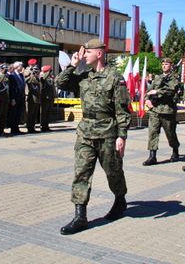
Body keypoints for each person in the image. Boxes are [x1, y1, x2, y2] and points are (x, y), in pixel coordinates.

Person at [55, 39, 131, 235]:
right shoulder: (83, 76)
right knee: (81, 173)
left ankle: (120, 199)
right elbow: (60, 82)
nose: (84, 55)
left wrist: (122, 136)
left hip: (107, 132)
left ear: (99, 53)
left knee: (113, 172)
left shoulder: (115, 78)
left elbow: (122, 110)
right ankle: (80, 216)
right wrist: (73, 64)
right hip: (85, 132)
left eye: (87, 52)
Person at [142, 58, 181, 166]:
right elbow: (148, 90)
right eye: (163, 64)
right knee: (152, 133)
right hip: (155, 110)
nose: (164, 66)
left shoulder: (174, 78)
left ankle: (175, 150)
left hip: (167, 110)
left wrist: (157, 91)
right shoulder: (157, 78)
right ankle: (152, 156)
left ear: (171, 65)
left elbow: (171, 90)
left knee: (170, 133)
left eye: (166, 64)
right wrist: (147, 99)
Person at [8, 61, 26, 135]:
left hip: (21, 97)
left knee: (19, 113)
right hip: (15, 98)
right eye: (20, 66)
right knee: (14, 114)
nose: (22, 67)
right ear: (16, 67)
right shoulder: (12, 75)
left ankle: (16, 128)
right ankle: (13, 128)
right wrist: (12, 98)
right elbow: (12, 88)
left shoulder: (21, 75)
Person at [40, 65, 56, 132]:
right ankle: (43, 126)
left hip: (50, 97)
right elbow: (42, 80)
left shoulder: (50, 78)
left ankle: (46, 125)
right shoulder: (43, 77)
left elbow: (53, 88)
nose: (51, 72)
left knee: (48, 113)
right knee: (44, 113)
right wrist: (46, 73)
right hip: (45, 98)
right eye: (50, 71)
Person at [25, 65, 41, 133]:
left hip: (37, 98)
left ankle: (33, 127)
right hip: (31, 99)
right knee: (30, 114)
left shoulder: (38, 79)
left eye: (38, 72)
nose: (38, 74)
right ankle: (29, 127)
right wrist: (31, 73)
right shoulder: (30, 78)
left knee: (34, 114)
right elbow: (26, 81)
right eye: (36, 72)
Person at [0, 64, 10, 135]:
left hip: (6, 97)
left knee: (4, 115)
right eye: (5, 69)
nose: (6, 70)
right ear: (1, 69)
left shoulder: (7, 76)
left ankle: (2, 129)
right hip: (0, 97)